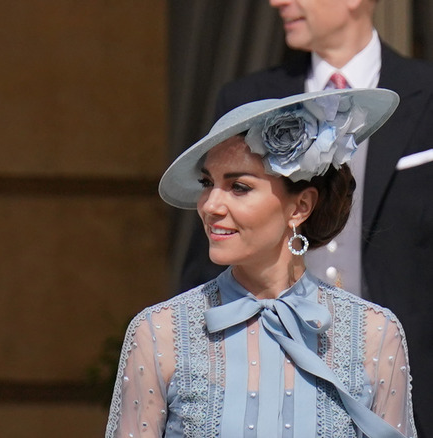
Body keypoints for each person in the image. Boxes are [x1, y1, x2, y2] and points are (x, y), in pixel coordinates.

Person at [179, 1, 433, 434]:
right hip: (262, 371)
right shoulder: (245, 97)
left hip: (412, 377)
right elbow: (214, 247)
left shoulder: (427, 92)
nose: (278, 1)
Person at [106, 89, 417, 437]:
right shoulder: (159, 332)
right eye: (207, 183)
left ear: (299, 207)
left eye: (238, 186)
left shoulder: (374, 333)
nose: (210, 205)